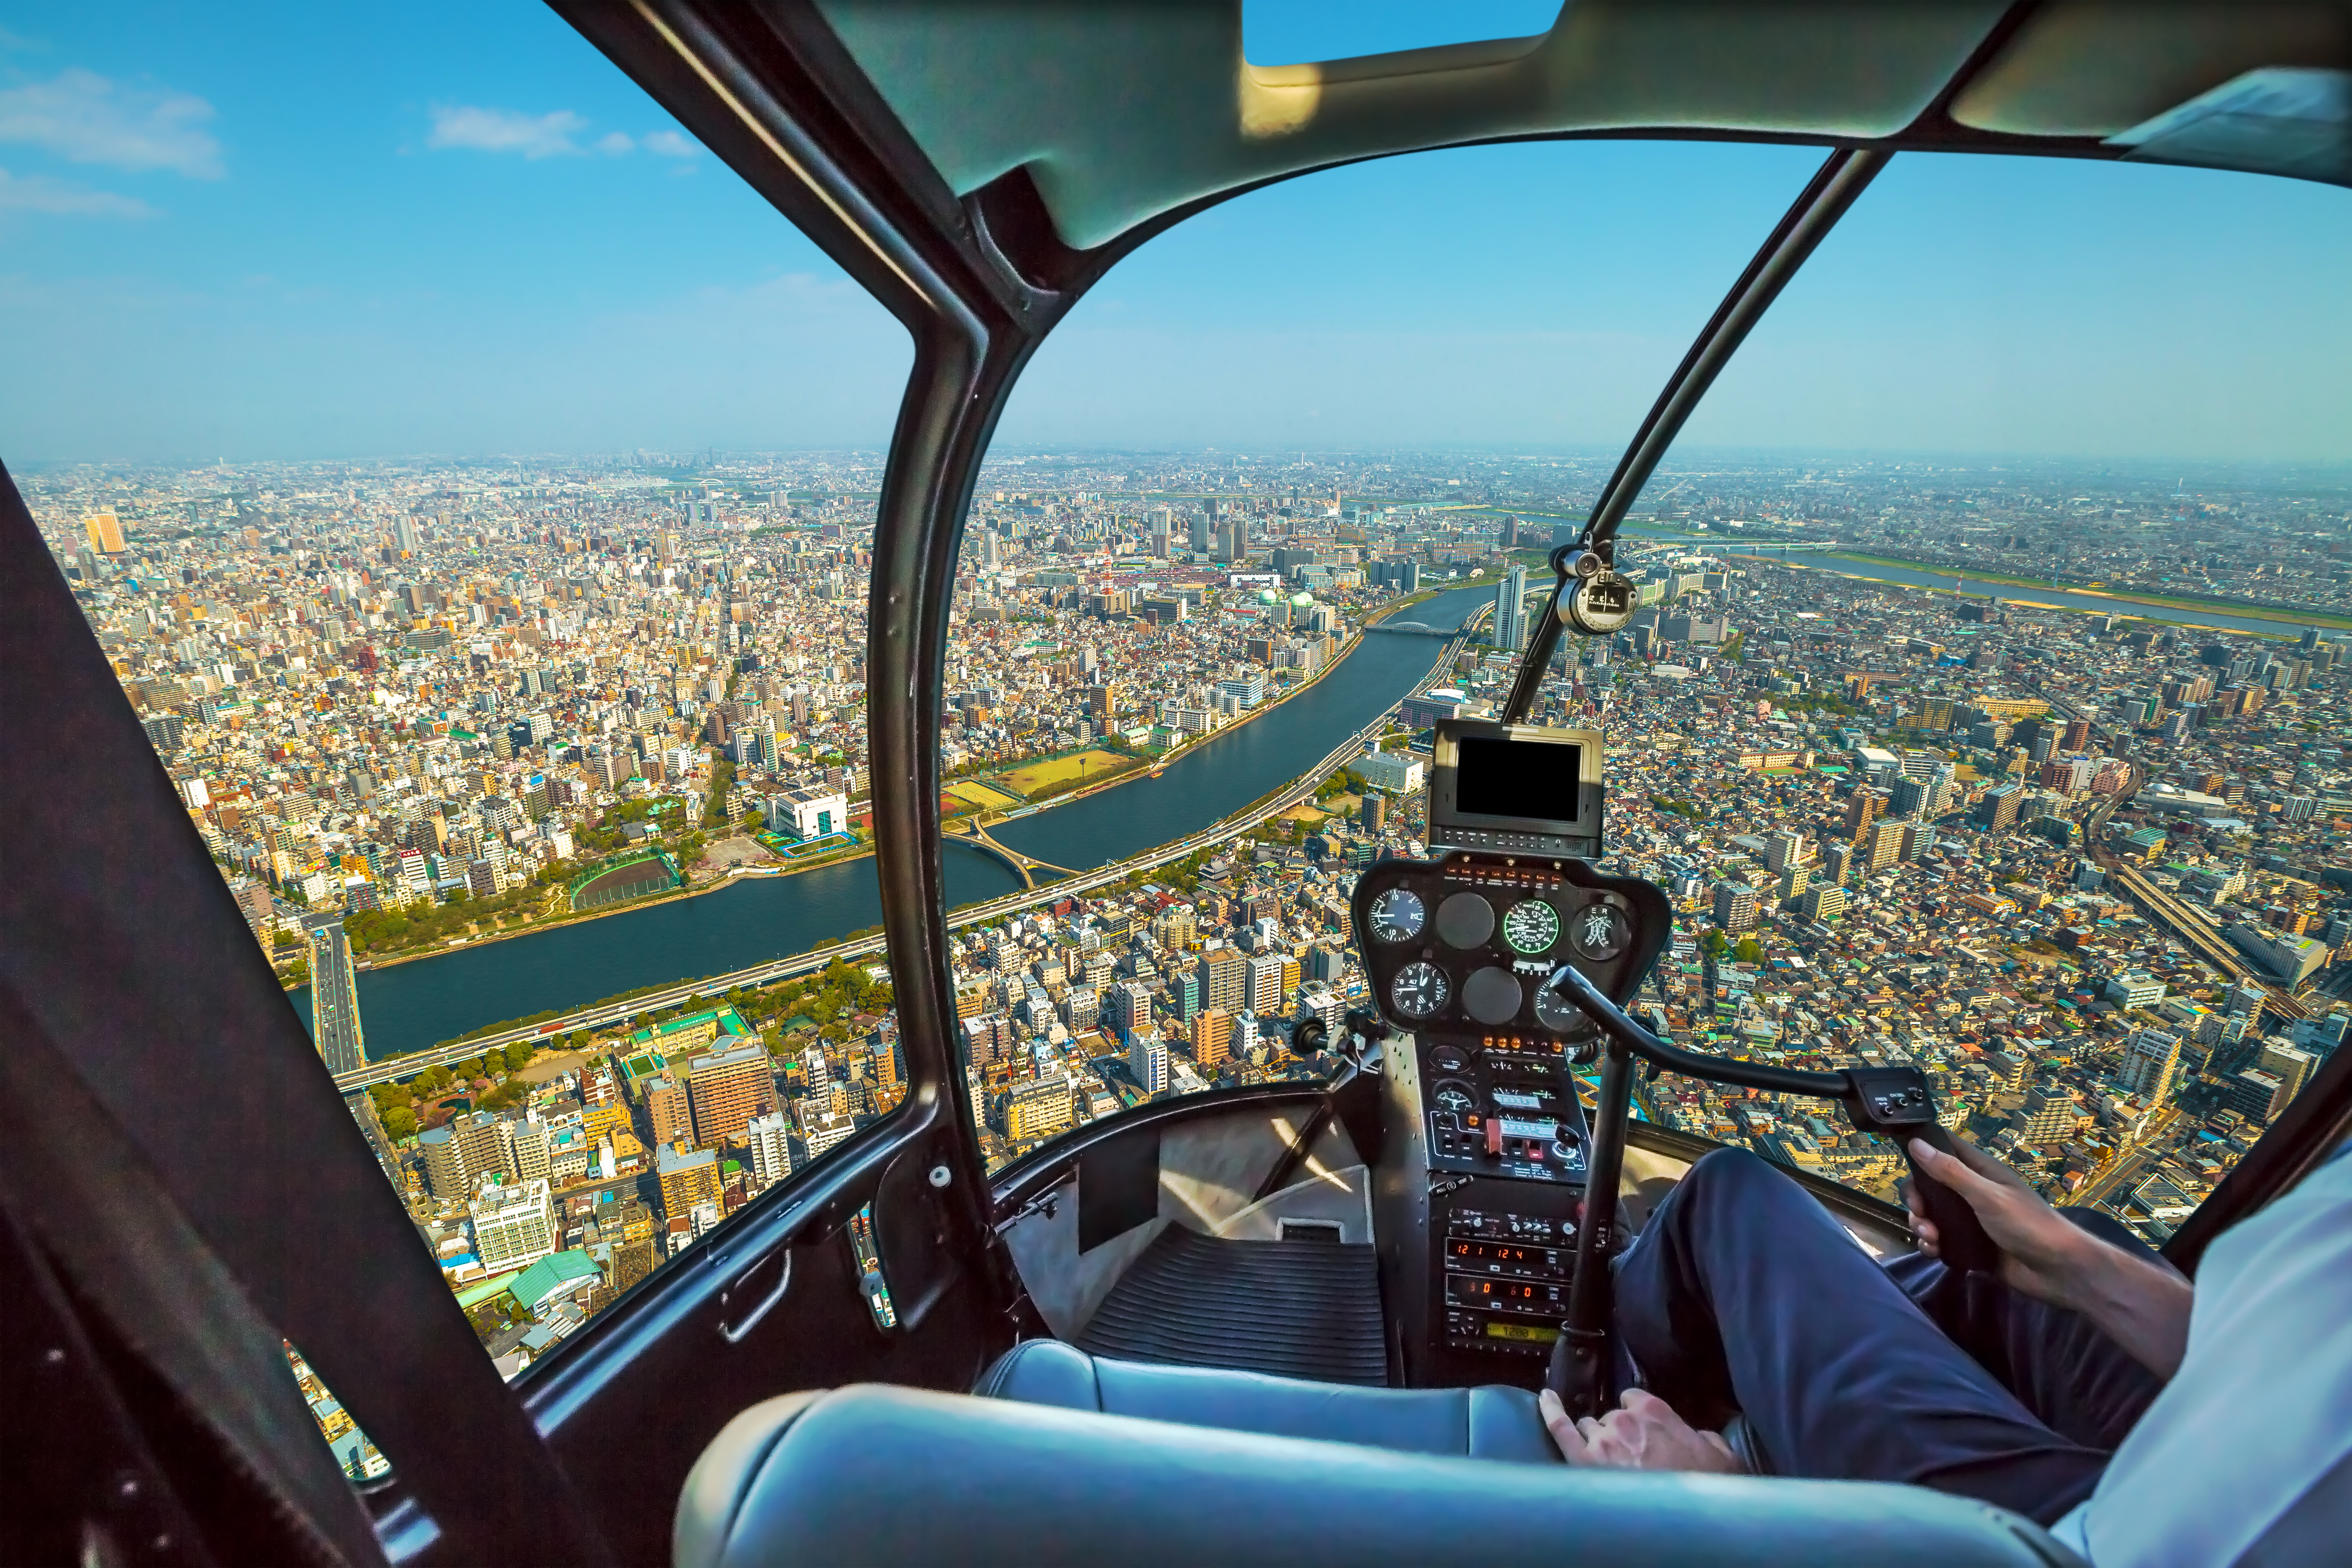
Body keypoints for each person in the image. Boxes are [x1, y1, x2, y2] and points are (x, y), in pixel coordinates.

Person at [1539, 1135, 2351, 1565]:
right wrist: (2075, 1265)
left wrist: (1734, 1513)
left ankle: (1621, 1369)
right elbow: (2293, 1359)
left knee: (1731, 1197)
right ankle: (1788, 1397)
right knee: (2046, 1262)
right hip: (2223, 1446)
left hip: (2077, 1542)